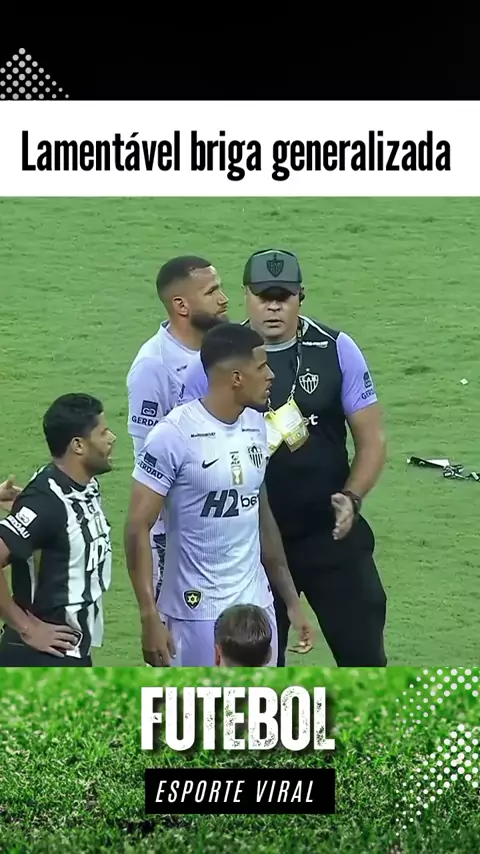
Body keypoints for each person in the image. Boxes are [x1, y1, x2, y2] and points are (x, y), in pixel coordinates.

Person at [178, 248, 388, 667]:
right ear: (245, 296)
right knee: (253, 668)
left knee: (365, 660)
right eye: (263, 296)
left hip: (331, 535)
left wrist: (352, 497)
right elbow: (188, 444)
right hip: (250, 544)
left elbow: (373, 440)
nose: (273, 307)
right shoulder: (217, 357)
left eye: (283, 297)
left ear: (300, 297)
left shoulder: (336, 348)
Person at [124, 322, 315, 667]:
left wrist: (290, 600)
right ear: (236, 378)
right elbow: (137, 526)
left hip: (257, 607)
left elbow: (260, 514)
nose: (270, 375)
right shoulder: (173, 435)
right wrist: (148, 616)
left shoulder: (256, 427)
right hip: (195, 611)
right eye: (262, 367)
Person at [127, 256, 229, 606]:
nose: (223, 299)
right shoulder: (153, 366)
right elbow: (148, 456)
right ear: (181, 305)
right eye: (211, 292)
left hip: (224, 519)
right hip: (176, 534)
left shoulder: (223, 350)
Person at [0, 393, 115, 666]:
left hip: (71, 650)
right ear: (78, 445)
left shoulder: (84, 486)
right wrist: (26, 628)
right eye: (103, 432)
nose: (111, 438)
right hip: (41, 657)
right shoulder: (46, 502)